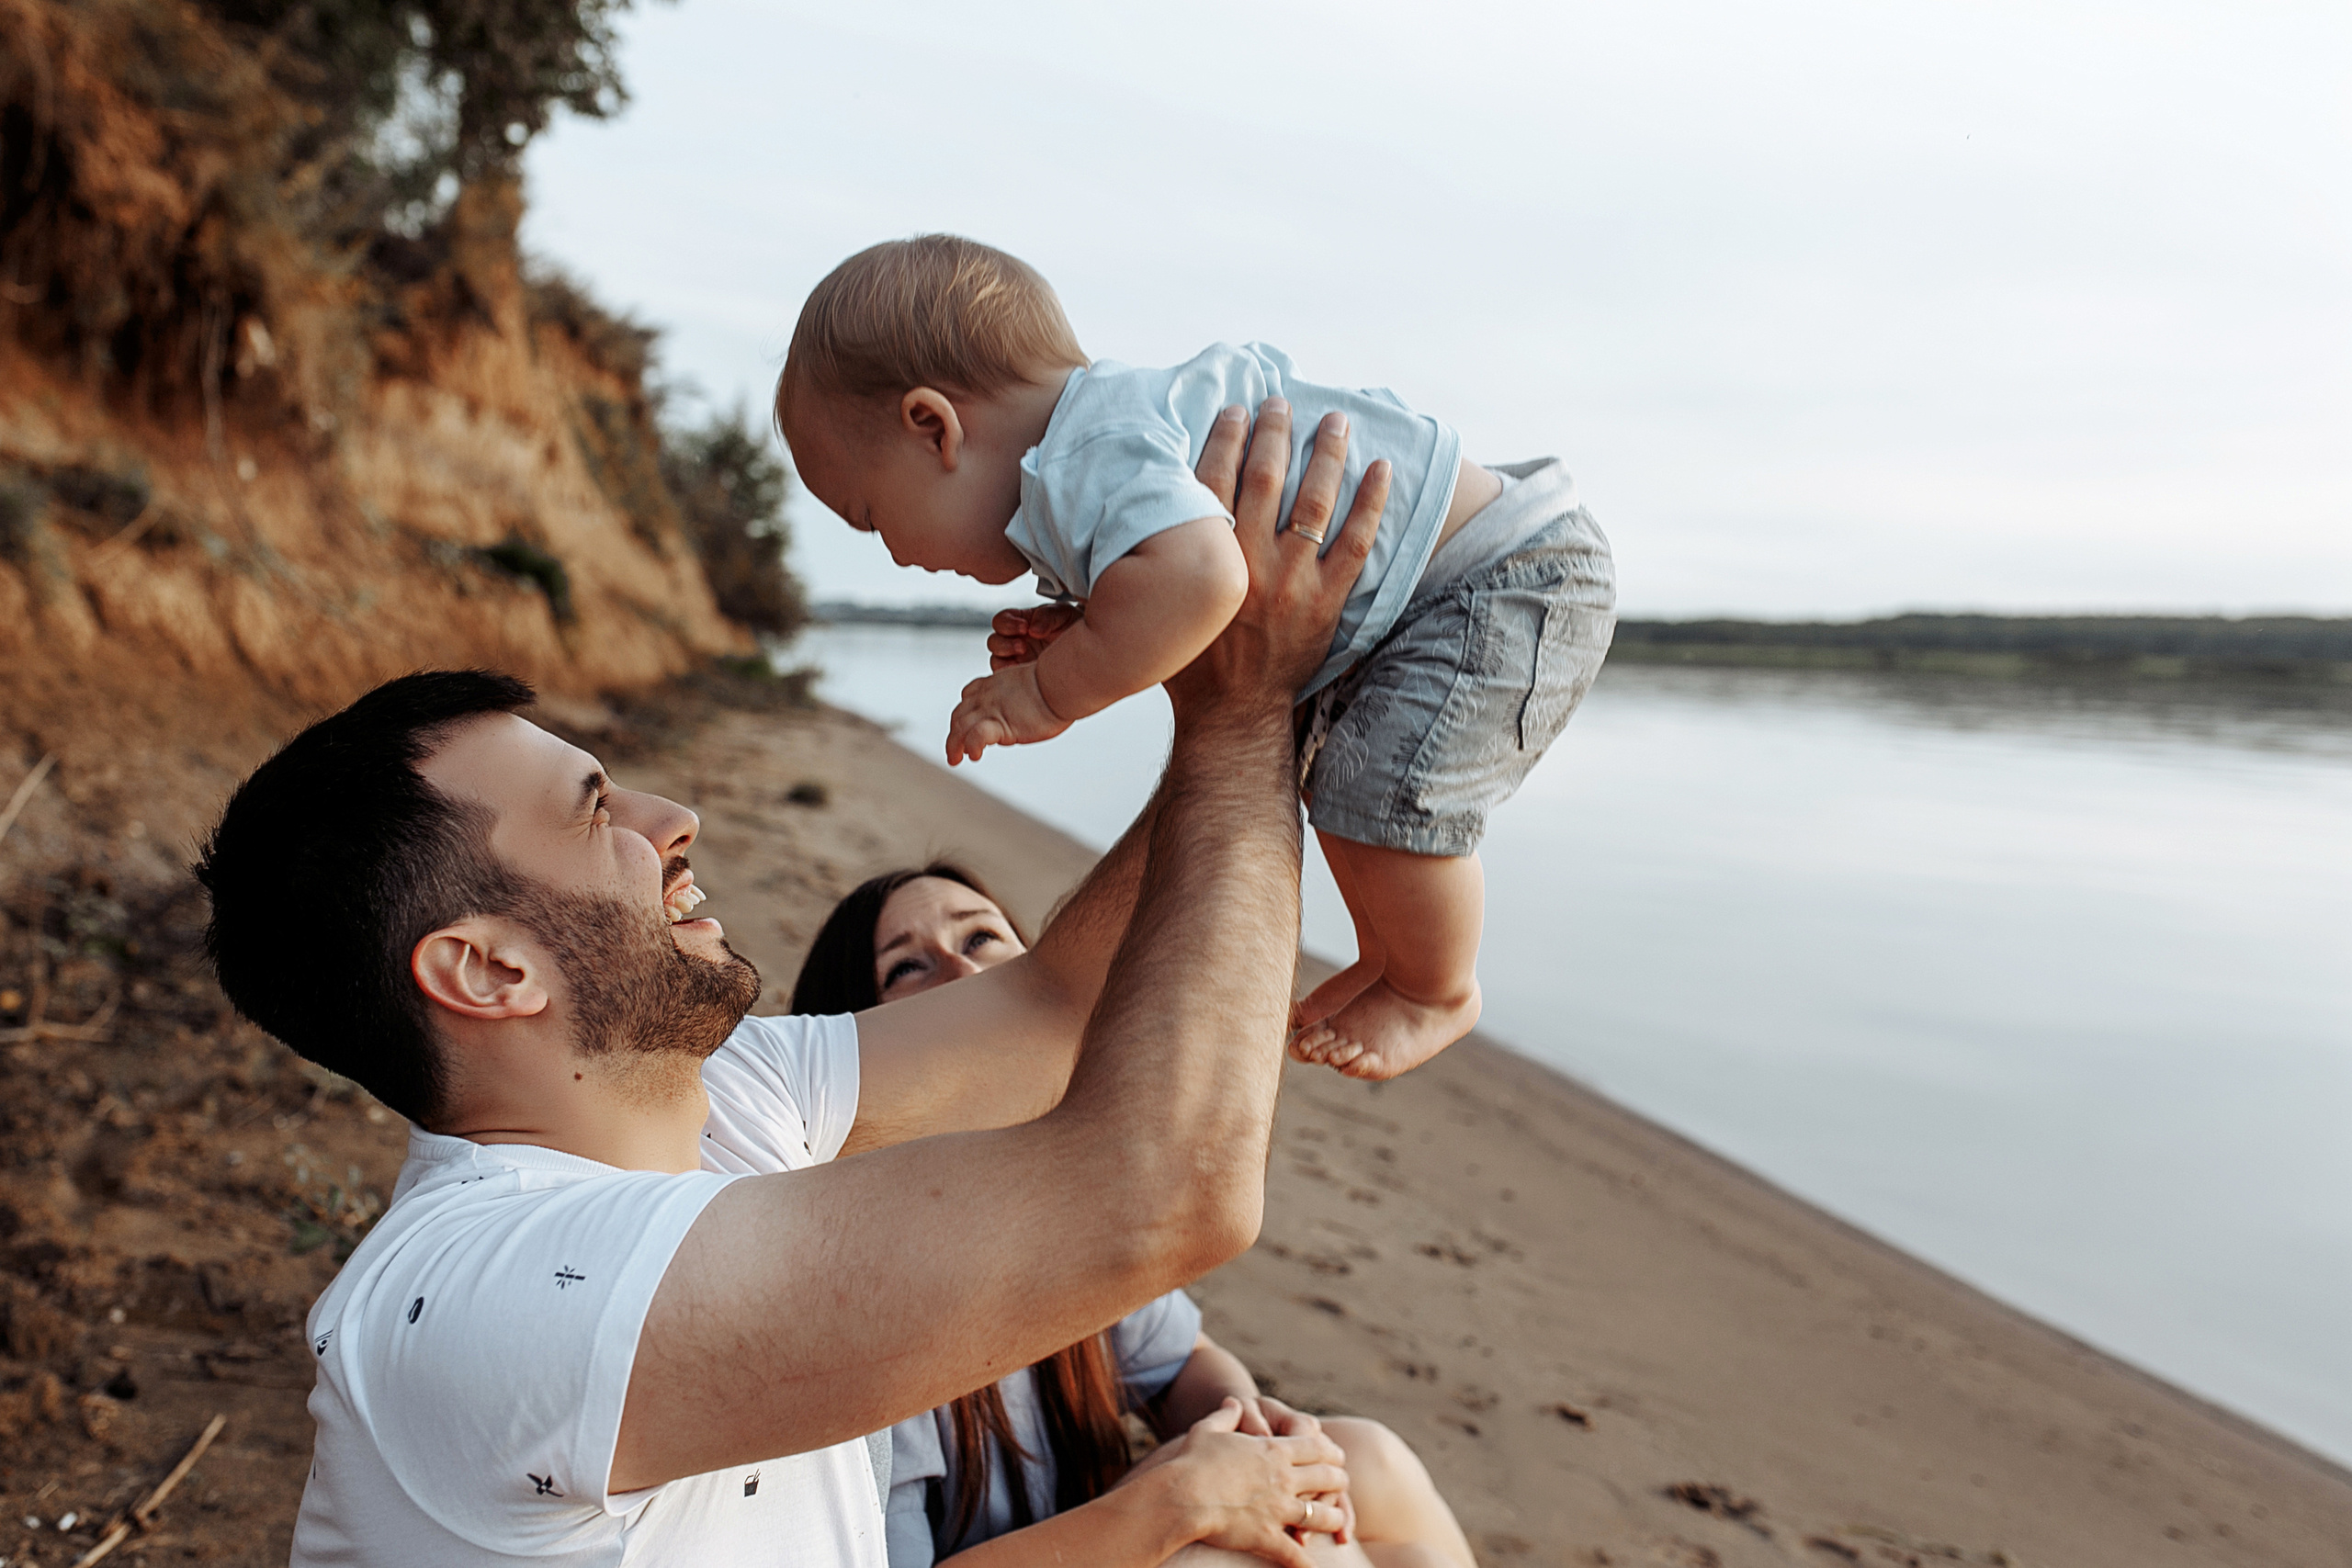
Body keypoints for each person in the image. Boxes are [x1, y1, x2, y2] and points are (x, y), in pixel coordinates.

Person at [194, 403, 1388, 1567]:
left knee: (1340, 1501)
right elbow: (1168, 1191)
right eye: (598, 808)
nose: (677, 819)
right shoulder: (478, 1298)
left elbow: (1056, 1008)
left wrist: (1268, 674)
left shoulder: (724, 1088)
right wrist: (1244, 714)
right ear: (487, 967)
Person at [775, 234, 1619, 1084]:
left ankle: (1437, 987)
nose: (889, 554)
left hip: (1495, 576)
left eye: (871, 515)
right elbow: (1178, 577)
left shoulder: (1083, 454)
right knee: (1346, 791)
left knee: (1387, 795)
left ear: (934, 428)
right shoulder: (1095, 451)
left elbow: (1205, 577)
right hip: (1447, 583)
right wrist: (1099, 621)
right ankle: (1393, 954)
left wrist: (1047, 693)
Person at [790, 866, 1477, 1568]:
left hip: (1103, 1526)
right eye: (908, 965)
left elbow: (1182, 1362)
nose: (964, 969)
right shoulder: (855, 1296)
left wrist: (1244, 1427)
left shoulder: (1057, 1202)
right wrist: (1174, 1500)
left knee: (1366, 1460)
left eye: (984, 936)